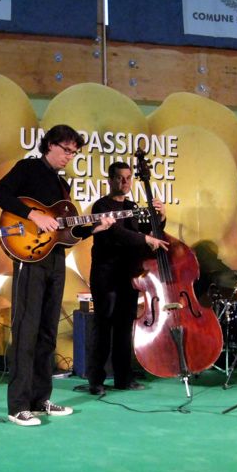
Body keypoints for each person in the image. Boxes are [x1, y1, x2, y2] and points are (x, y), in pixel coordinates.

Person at [0, 124, 114, 426]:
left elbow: (66, 235)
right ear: (50, 145)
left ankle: (40, 399)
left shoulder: (62, 185)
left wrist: (95, 228)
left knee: (47, 331)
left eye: (74, 152)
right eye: (66, 150)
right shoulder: (28, 168)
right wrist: (33, 214)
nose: (69, 156)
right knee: (26, 329)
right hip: (30, 258)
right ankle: (18, 405)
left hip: (55, 260)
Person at [88, 161, 169, 396]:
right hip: (106, 275)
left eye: (128, 177)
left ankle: (123, 379)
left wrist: (161, 216)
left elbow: (146, 230)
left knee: (125, 328)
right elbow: (118, 233)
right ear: (110, 180)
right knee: (104, 327)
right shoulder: (101, 206)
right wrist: (146, 240)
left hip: (128, 275)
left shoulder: (132, 207)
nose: (125, 182)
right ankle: (96, 381)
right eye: (120, 178)